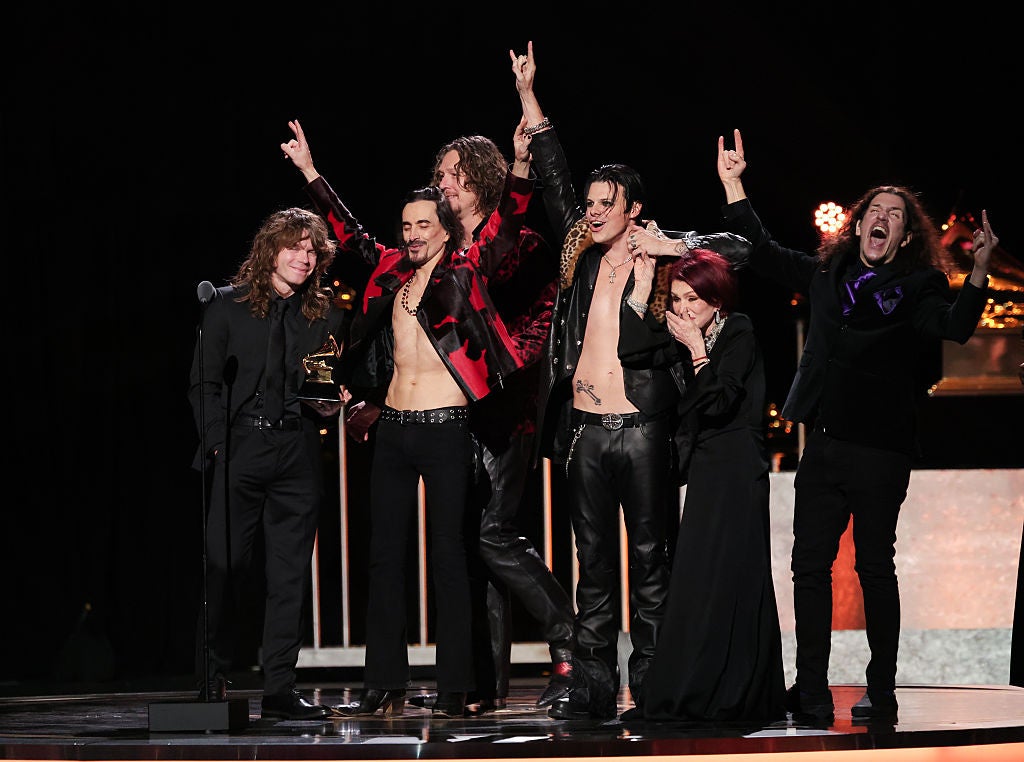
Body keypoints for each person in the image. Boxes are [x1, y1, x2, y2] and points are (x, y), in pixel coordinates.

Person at [716, 128, 996, 723]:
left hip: (881, 449)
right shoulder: (827, 274)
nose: (883, 219)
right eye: (875, 211)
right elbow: (763, 252)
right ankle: (812, 690)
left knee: (874, 568)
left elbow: (954, 327)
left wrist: (978, 271)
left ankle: (882, 691)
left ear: (905, 236)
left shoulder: (918, 285)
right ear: (859, 222)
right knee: (809, 567)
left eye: (895, 215)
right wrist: (734, 186)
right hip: (826, 443)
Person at [511, 41, 752, 720]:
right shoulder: (580, 258)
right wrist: (529, 97)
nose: (591, 212)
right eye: (589, 203)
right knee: (592, 566)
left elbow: (741, 252)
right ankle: (591, 686)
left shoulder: (664, 259)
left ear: (634, 210)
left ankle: (653, 682)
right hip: (586, 433)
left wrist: (673, 246)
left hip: (644, 430)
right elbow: (553, 177)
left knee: (651, 563)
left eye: (605, 204)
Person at [280, 118, 534, 718]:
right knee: (384, 558)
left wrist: (521, 164)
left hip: (447, 427)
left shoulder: (466, 268)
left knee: (450, 557)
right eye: (407, 226)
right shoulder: (391, 269)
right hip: (394, 428)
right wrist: (311, 172)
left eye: (424, 224)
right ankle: (382, 684)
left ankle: (454, 689)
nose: (414, 234)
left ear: (445, 228)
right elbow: (348, 233)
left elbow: (507, 224)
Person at [400, 135, 576, 714]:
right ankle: (484, 681)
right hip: (456, 411)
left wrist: (503, 373)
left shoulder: (521, 241)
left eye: (454, 173)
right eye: (441, 173)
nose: (444, 182)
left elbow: (543, 321)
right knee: (473, 545)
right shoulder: (445, 249)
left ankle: (571, 647)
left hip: (507, 407)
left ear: (481, 178)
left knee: (493, 533)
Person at [188, 206, 348, 720]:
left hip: (296, 451)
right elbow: (204, 384)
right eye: (294, 247)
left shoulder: (323, 315)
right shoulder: (226, 306)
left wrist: (330, 402)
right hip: (239, 450)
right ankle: (212, 678)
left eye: (312, 250)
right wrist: (218, 444)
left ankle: (280, 688)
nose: (304, 257)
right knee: (225, 566)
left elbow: (322, 383)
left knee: (289, 575)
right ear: (269, 250)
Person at [621, 245, 787, 723]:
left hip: (737, 467)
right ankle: (688, 689)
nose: (683, 308)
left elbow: (719, 402)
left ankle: (735, 692)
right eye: (676, 299)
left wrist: (696, 349)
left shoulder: (738, 330)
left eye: (693, 298)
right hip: (707, 467)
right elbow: (631, 349)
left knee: (732, 575)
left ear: (716, 299)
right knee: (696, 578)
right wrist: (642, 289)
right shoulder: (683, 331)